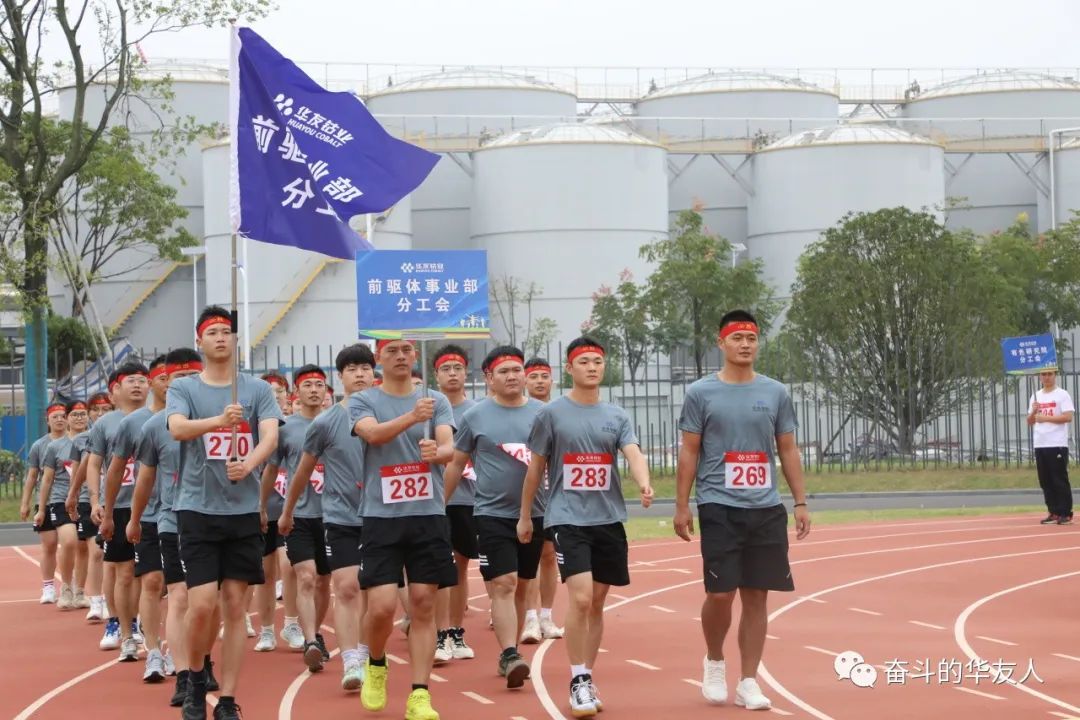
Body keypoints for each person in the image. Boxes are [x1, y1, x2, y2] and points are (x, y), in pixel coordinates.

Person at [673, 310, 811, 711]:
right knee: (720, 594)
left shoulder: (775, 392)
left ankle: (748, 680)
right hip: (719, 504)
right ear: (721, 343)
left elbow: (787, 448)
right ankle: (715, 660)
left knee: (757, 596)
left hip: (765, 507)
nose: (745, 344)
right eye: (737, 338)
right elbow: (689, 451)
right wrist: (682, 505)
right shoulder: (701, 393)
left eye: (751, 338)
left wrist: (800, 501)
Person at [517, 336, 654, 718]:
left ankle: (587, 675)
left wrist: (644, 482)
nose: (592, 367)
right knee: (579, 598)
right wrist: (525, 515)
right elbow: (535, 468)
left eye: (597, 361)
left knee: (596, 602)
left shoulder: (617, 416)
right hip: (566, 518)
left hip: (607, 519)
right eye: (584, 361)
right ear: (570, 368)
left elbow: (633, 453)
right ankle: (577, 679)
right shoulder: (551, 414)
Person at [166, 306, 283, 720]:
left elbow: (270, 435)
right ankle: (197, 676)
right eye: (212, 331)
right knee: (201, 605)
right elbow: (177, 427)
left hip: (242, 511)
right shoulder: (184, 387)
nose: (220, 337)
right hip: (197, 508)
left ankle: (229, 699)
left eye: (227, 331)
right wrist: (219, 419)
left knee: (235, 606)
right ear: (199, 341)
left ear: (236, 340)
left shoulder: (257, 390)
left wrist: (249, 464)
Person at [350, 338, 457, 720]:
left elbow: (449, 447)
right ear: (379, 357)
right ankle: (376, 663)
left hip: (427, 514)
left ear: (415, 355)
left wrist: (438, 453)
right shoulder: (364, 400)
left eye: (406, 350)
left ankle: (420, 694)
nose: (400, 356)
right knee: (381, 607)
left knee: (424, 603)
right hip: (382, 516)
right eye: (391, 350)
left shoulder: (436, 400)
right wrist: (412, 417)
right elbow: (373, 435)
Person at [445, 346, 544, 689]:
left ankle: (509, 651)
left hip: (536, 513)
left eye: (517, 370)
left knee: (523, 586)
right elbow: (456, 463)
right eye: (504, 371)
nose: (512, 376)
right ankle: (510, 653)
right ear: (489, 378)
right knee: (504, 583)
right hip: (491, 513)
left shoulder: (543, 414)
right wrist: (438, 506)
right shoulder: (475, 417)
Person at [288, 344, 375, 690]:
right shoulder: (325, 423)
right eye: (351, 369)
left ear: (374, 373)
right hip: (340, 516)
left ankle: (367, 650)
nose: (359, 374)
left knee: (376, 593)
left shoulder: (390, 415)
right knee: (347, 586)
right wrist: (287, 511)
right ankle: (351, 659)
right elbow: (302, 471)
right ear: (340, 378)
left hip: (382, 516)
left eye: (365, 368)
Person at [129, 348, 203, 706]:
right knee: (179, 595)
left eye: (192, 375)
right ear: (167, 382)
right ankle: (183, 674)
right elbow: (143, 479)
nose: (186, 383)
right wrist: (133, 518)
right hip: (171, 520)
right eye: (178, 377)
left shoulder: (222, 418)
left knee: (208, 601)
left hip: (213, 521)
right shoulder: (152, 427)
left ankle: (202, 662)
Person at [107, 355, 169, 680]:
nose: (170, 384)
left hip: (187, 513)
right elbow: (115, 470)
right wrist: (108, 512)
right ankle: (148, 648)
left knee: (180, 588)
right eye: (163, 378)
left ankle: (178, 649)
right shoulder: (133, 424)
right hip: (146, 513)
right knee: (148, 579)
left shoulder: (196, 419)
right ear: (153, 383)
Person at [274, 364, 332, 673]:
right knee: (306, 577)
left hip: (333, 515)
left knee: (324, 580)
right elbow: (272, 469)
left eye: (319, 385)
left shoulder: (338, 423)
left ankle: (316, 632)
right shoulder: (286, 429)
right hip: (298, 515)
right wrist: (264, 508)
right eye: (307, 385)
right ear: (297, 391)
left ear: (326, 391)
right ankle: (310, 640)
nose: (313, 390)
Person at [92, 363, 150, 658]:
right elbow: (94, 464)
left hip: (151, 506)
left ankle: (137, 623)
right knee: (122, 570)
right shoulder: (106, 424)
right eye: (131, 380)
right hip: (119, 505)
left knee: (144, 574)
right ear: (117, 388)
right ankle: (117, 623)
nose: (138, 385)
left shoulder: (158, 417)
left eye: (142, 380)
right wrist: (97, 501)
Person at [432, 344, 477, 664]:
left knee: (460, 565)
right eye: (446, 369)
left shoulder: (476, 412)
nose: (452, 374)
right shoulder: (429, 408)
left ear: (466, 373)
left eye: (457, 368)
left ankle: (456, 631)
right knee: (439, 566)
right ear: (436, 375)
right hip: (433, 498)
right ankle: (439, 632)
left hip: (467, 499)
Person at [520, 357, 563, 643]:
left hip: (555, 495)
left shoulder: (559, 413)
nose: (539, 381)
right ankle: (530, 618)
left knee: (549, 556)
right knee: (530, 558)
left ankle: (546, 615)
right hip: (530, 495)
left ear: (552, 381)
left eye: (544, 376)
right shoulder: (523, 412)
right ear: (525, 381)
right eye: (533, 376)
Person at [66, 391, 114, 622]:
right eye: (95, 409)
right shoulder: (82, 440)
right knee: (96, 551)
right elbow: (80, 468)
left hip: (119, 499)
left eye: (106, 409)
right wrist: (73, 494)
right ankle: (96, 600)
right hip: (90, 500)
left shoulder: (123, 429)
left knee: (115, 557)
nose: (101, 414)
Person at [35, 402, 86, 610]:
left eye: (83, 414)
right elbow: (47, 479)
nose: (79, 418)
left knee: (84, 547)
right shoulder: (55, 447)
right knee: (69, 541)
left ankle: (80, 591)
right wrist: (41, 509)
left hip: (86, 501)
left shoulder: (94, 441)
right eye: (74, 415)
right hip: (60, 500)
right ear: (67, 419)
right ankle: (65, 587)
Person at [22, 403, 67, 604]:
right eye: (55, 417)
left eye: (62, 416)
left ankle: (71, 584)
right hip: (46, 502)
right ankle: (48, 586)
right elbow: (32, 476)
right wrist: (25, 503)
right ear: (47, 420)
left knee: (71, 545)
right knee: (49, 544)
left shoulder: (75, 441)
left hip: (70, 502)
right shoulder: (39, 446)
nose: (59, 420)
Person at [1028, 367, 1076, 525]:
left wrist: (1046, 418)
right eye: (1044, 374)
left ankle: (1065, 513)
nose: (1047, 377)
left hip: (1056, 443)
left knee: (1059, 479)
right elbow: (1030, 421)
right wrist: (1033, 412)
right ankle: (1053, 511)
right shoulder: (1036, 396)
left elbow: (1068, 417)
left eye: (1050, 374)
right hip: (1040, 443)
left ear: (1055, 375)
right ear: (1040, 377)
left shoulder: (1062, 394)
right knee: (1045, 480)